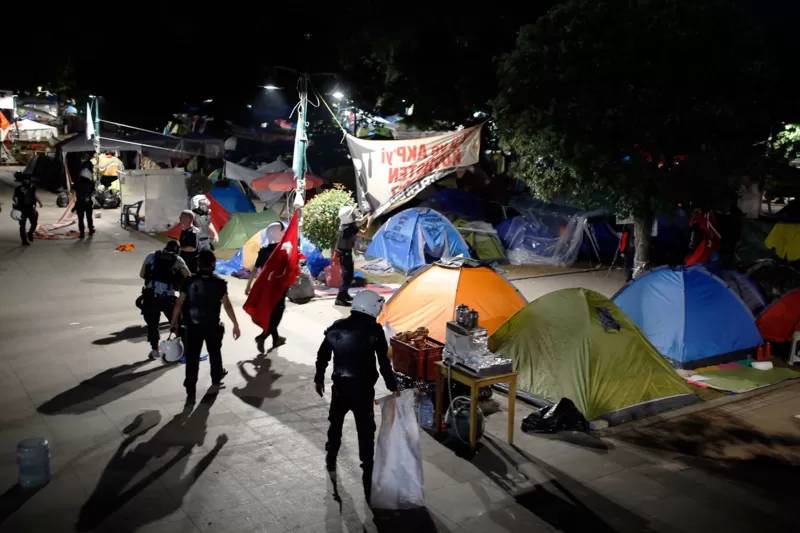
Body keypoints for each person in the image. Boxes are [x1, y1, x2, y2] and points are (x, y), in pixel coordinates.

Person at [315, 290, 399, 503]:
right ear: (371, 307)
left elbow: (323, 354)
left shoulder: (336, 327)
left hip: (340, 388)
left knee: (335, 422)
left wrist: (318, 377)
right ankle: (367, 466)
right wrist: (393, 386)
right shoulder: (375, 330)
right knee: (365, 429)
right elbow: (384, 363)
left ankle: (331, 454)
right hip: (362, 390)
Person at [171, 250, 241, 405]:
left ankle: (191, 390)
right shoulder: (219, 283)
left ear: (198, 264)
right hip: (212, 326)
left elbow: (178, 303)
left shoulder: (188, 281)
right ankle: (215, 381)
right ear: (213, 264)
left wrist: (173, 322)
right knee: (215, 353)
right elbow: (227, 306)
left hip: (193, 327)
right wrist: (235, 324)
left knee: (192, 358)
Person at [139, 240, 191, 360]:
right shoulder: (178, 260)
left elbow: (142, 274)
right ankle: (182, 350)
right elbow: (188, 276)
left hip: (150, 296)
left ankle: (155, 350)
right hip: (167, 297)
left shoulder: (151, 255)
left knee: (153, 325)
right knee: (176, 322)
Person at [245, 221, 288, 354]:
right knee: (277, 312)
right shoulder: (282, 251)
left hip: (265, 287)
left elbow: (255, 269)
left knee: (271, 312)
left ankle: (276, 339)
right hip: (278, 287)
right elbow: (287, 269)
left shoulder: (263, 251)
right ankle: (263, 336)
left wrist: (248, 285)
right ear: (279, 233)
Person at [334, 205, 362, 307]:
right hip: (345, 255)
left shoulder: (344, 226)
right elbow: (364, 233)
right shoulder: (349, 229)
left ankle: (345, 294)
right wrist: (370, 221)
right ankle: (340, 299)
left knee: (347, 275)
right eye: (352, 214)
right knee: (347, 277)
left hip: (344, 254)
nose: (354, 215)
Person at [12, 174, 42, 246]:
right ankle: (24, 240)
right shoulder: (18, 188)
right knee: (22, 225)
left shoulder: (32, 187)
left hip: (30, 208)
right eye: (25, 180)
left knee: (34, 223)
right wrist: (16, 201)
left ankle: (30, 233)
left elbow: (34, 196)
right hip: (21, 209)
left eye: (28, 180)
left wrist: (39, 202)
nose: (27, 181)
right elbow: (14, 197)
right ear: (23, 181)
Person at [74, 166, 96, 238]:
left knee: (80, 218)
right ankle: (90, 230)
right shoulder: (91, 183)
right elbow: (93, 192)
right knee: (89, 217)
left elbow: (74, 190)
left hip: (80, 202)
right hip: (88, 202)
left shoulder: (77, 183)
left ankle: (82, 233)